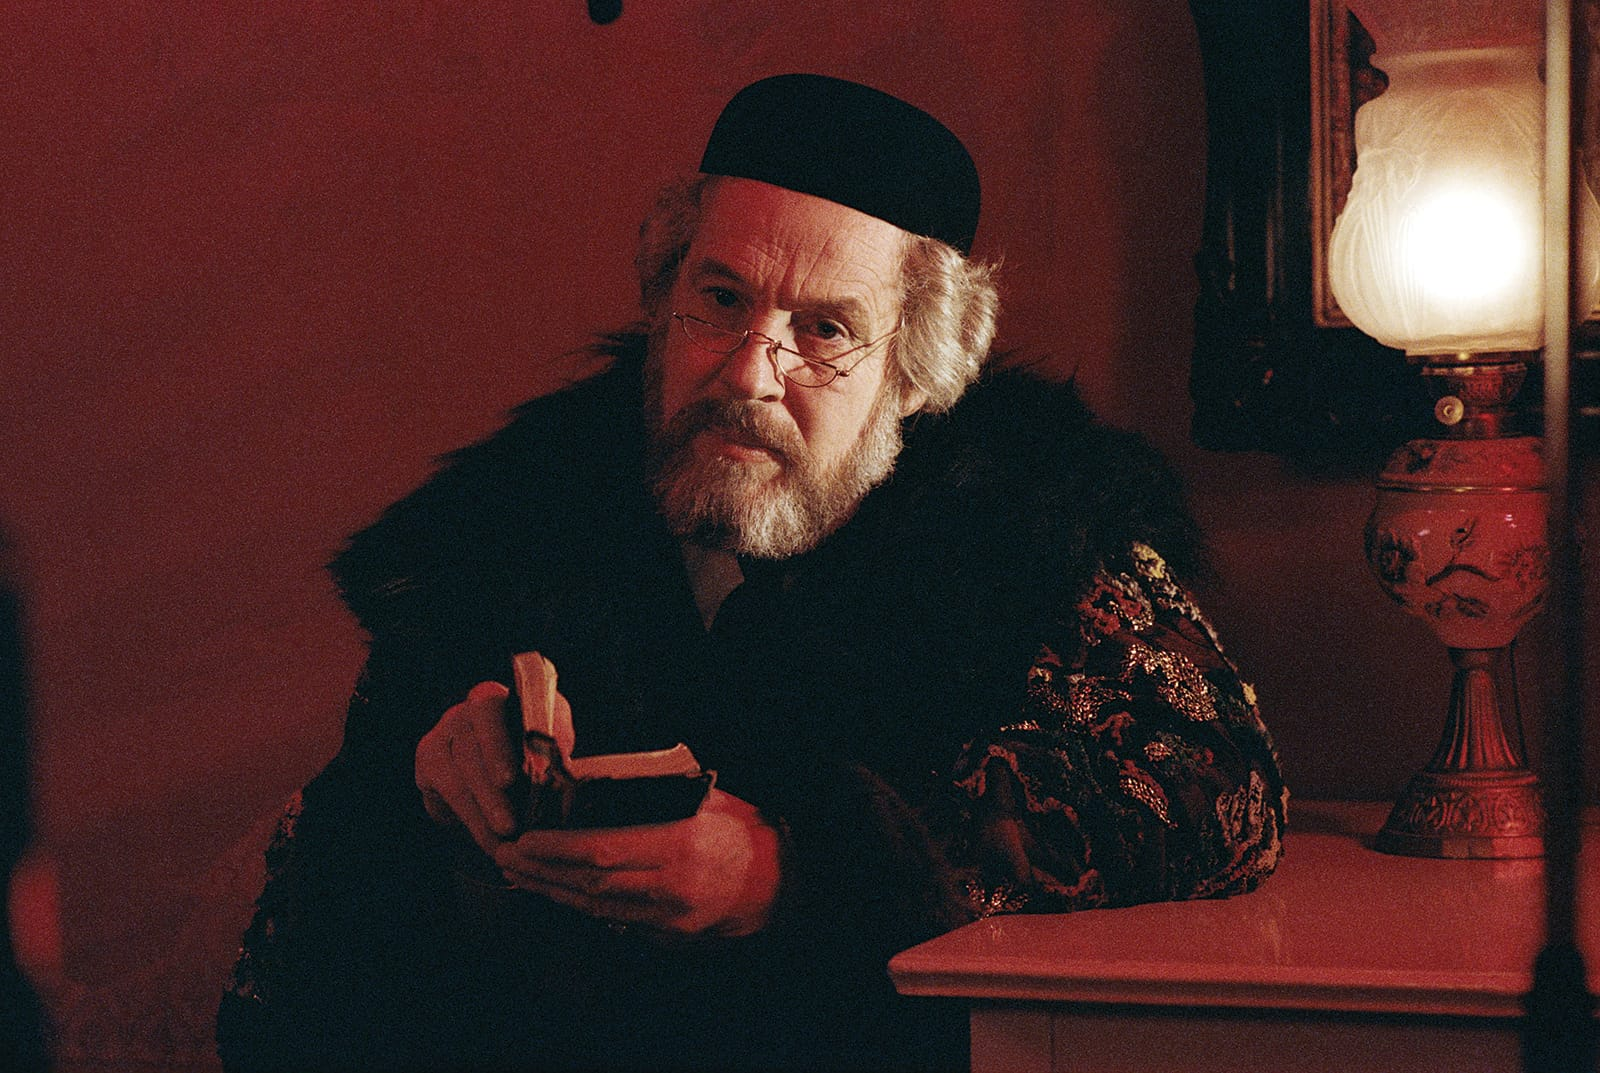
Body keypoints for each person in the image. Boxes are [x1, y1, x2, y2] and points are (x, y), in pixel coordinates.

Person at [217, 73, 1287, 1073]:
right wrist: (432, 802)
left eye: (822, 330)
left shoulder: (1033, 528)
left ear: (915, 373)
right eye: (721, 299)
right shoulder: (511, 529)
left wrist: (792, 870)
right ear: (662, 297)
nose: (746, 373)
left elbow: (1217, 792)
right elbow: (302, 958)